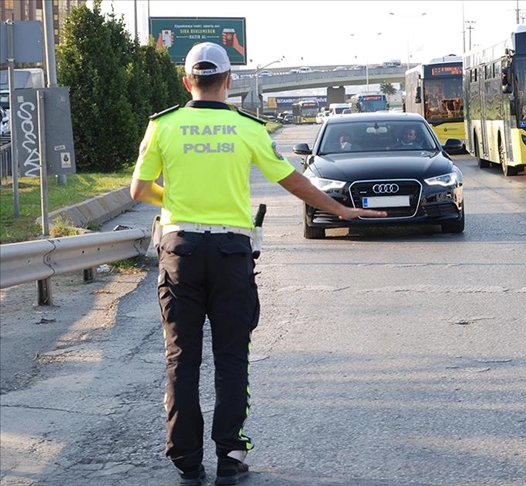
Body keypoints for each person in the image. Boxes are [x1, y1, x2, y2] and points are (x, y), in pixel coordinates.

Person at [130, 42, 386, 485]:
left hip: (180, 252)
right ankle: (229, 456)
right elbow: (292, 181)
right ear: (229, 82)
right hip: (231, 254)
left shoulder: (163, 126)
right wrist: (341, 211)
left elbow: (139, 190)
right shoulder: (246, 128)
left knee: (181, 358)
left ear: (187, 80)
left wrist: (174, 201)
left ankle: (187, 461)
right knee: (231, 357)